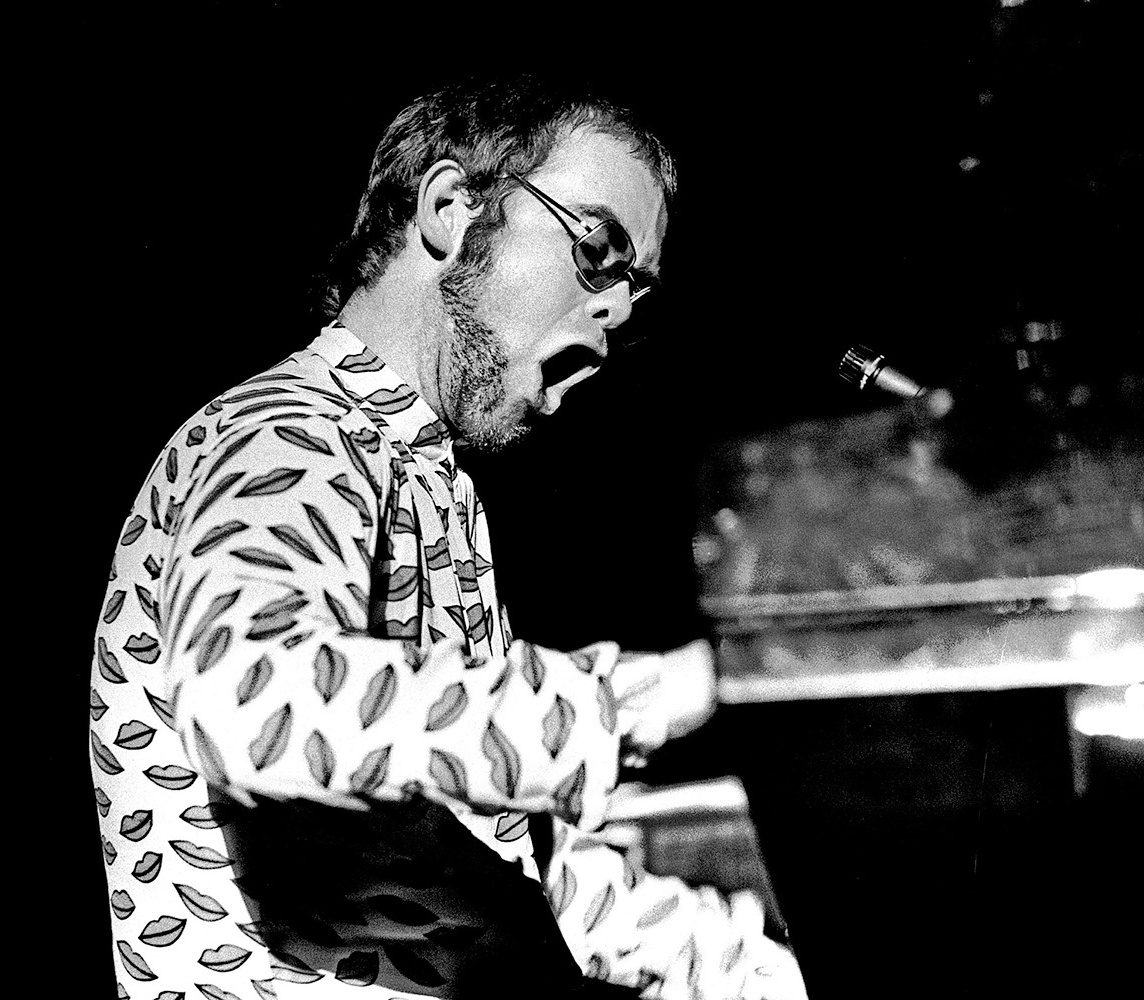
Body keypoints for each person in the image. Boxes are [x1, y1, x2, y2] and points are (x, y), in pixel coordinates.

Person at [89, 76, 807, 999]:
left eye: (639, 288)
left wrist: (751, 967)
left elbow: (507, 867)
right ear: (450, 209)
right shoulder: (285, 432)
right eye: (597, 251)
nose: (622, 313)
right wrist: (659, 693)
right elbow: (250, 698)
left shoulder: (428, 485)